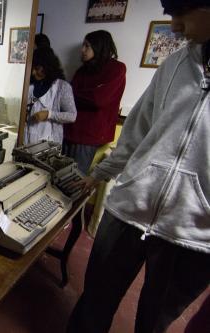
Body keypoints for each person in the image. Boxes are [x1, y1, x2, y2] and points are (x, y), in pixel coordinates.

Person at [67, 1, 210, 332]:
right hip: (128, 211)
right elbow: (136, 133)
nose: (174, 26)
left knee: (153, 322)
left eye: (181, 15)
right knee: (93, 305)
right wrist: (100, 174)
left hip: (193, 233)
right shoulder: (174, 65)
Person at [63, 30, 126, 174]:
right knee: (60, 175)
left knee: (74, 178)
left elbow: (99, 100)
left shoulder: (116, 68)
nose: (82, 50)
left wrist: (77, 94)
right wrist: (87, 94)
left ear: (99, 47)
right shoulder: (83, 70)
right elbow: (67, 97)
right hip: (70, 130)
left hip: (89, 134)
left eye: (87, 46)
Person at [24, 48, 76, 145]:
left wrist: (49, 114)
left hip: (48, 143)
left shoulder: (62, 87)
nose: (33, 73)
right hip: (26, 139)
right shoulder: (29, 84)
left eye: (37, 68)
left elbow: (72, 116)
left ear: (47, 67)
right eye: (32, 68)